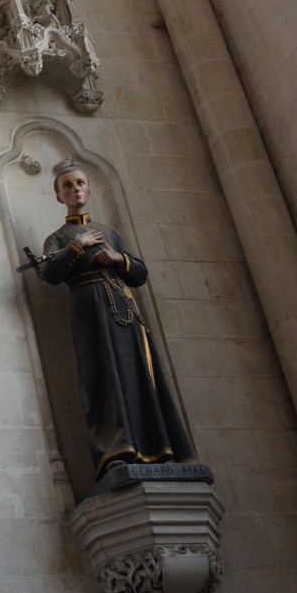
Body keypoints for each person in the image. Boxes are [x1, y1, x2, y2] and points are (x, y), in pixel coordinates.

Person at [40, 161, 196, 479]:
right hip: (89, 313)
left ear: (89, 188)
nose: (74, 189)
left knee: (137, 373)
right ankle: (115, 450)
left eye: (79, 183)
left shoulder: (111, 234)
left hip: (124, 313)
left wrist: (117, 258)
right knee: (101, 376)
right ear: (59, 196)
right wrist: (76, 246)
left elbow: (139, 274)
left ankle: (157, 447)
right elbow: (50, 274)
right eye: (66, 186)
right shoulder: (57, 238)